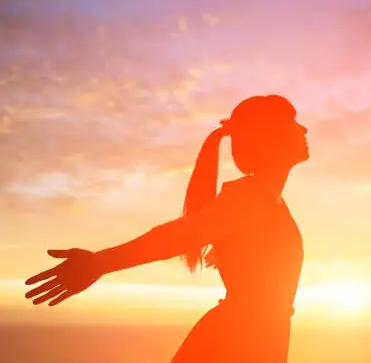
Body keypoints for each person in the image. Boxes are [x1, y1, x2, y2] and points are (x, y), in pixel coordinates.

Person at [24, 94, 309, 362]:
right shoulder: (248, 198)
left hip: (255, 341)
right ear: (270, 138)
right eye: (294, 123)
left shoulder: (270, 202)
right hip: (233, 344)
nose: (304, 129)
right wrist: (100, 262)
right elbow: (177, 236)